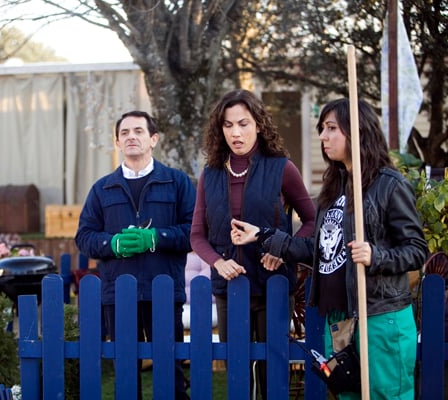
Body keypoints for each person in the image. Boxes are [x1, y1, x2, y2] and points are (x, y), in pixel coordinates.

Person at [230, 98, 429, 399]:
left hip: (379, 318)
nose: (322, 137)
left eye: (331, 128)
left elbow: (416, 250)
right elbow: (320, 250)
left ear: (357, 131)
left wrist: (376, 256)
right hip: (340, 321)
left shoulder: (389, 185)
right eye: (322, 129)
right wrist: (265, 236)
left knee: (388, 395)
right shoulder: (335, 187)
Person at [190, 89, 315, 399]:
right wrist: (218, 262)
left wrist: (282, 248)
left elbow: (313, 222)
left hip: (273, 283)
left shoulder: (281, 168)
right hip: (230, 289)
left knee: (272, 372)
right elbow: (197, 235)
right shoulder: (210, 174)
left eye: (244, 124)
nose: (236, 132)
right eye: (228, 125)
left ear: (259, 124)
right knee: (238, 372)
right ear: (220, 129)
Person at [75, 110, 196, 400]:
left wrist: (157, 237)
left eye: (139, 131)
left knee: (170, 372)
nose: (132, 137)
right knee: (126, 374)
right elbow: (84, 236)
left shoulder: (177, 183)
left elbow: (194, 232)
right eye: (125, 132)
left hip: (164, 290)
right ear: (117, 142)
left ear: (153, 139)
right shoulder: (102, 189)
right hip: (119, 294)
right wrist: (112, 244)